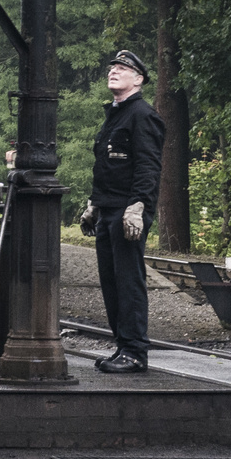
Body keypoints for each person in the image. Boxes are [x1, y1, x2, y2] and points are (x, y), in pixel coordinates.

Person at [80, 49, 165, 374]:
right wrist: (94, 204)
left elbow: (147, 166)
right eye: (112, 67)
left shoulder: (142, 115)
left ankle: (134, 351)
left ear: (138, 79)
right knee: (111, 282)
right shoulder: (115, 115)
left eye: (122, 68)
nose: (113, 71)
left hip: (128, 211)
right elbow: (106, 167)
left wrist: (139, 206)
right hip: (108, 210)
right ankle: (122, 346)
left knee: (128, 281)